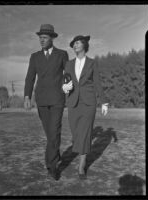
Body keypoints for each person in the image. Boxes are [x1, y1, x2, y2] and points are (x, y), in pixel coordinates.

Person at [24, 24, 69, 180]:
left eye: (44, 38)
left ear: (52, 38)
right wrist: (27, 97)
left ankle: (52, 165)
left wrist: (67, 86)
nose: (41, 40)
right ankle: (55, 155)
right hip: (41, 99)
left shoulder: (62, 54)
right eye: (40, 38)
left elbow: (67, 74)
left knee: (54, 131)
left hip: (57, 98)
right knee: (50, 134)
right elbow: (30, 77)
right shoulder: (34, 56)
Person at [62, 35, 109, 179]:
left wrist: (104, 102)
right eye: (73, 44)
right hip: (73, 102)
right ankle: (80, 149)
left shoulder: (92, 63)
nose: (74, 45)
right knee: (76, 132)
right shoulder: (68, 64)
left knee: (86, 133)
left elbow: (97, 83)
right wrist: (64, 87)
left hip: (88, 103)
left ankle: (82, 165)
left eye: (77, 43)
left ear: (84, 45)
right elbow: (65, 81)